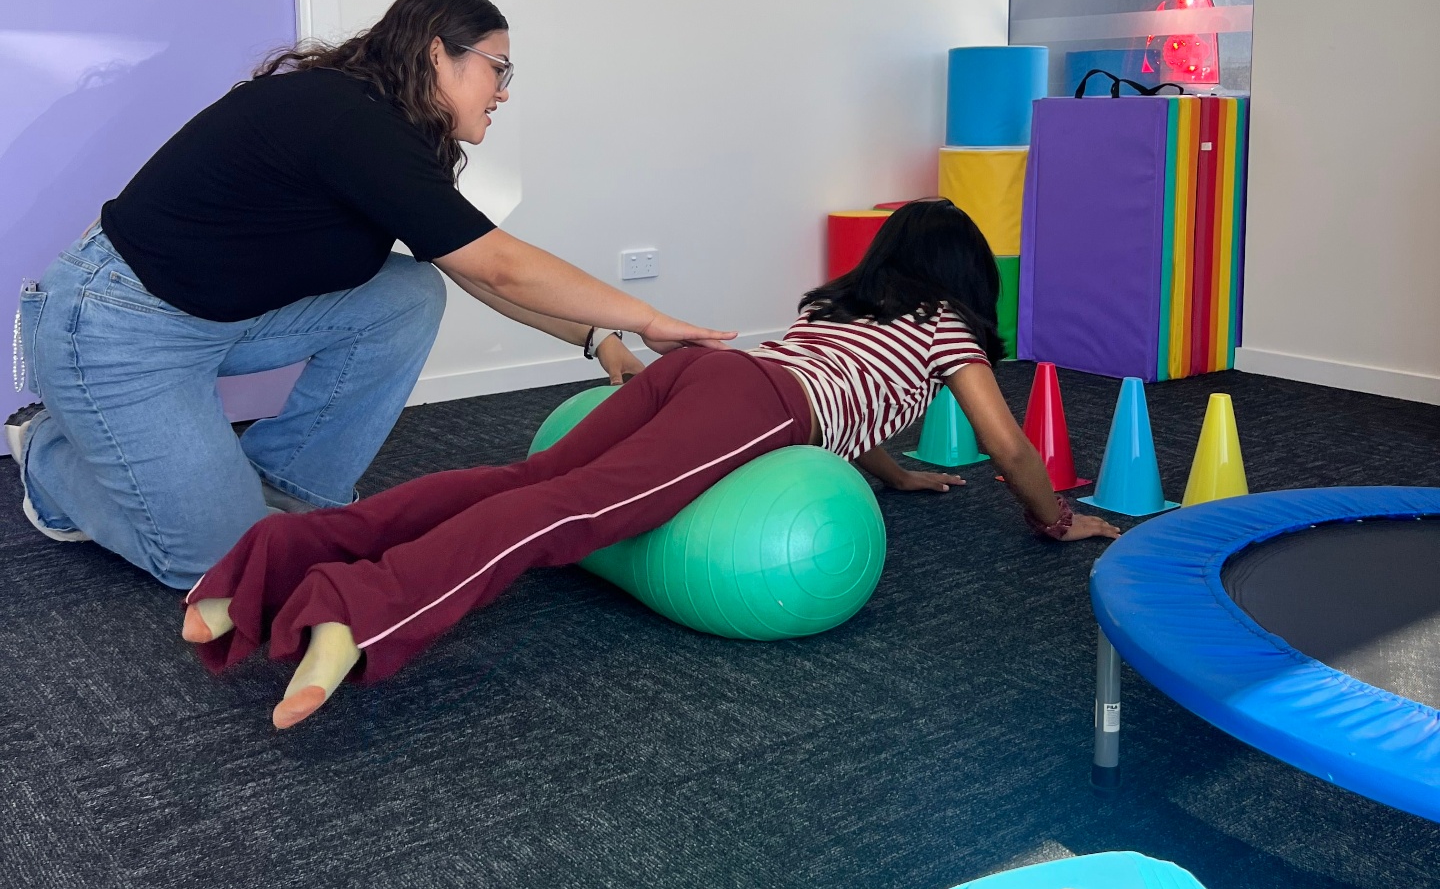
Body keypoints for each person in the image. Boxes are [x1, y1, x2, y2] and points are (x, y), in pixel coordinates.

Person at [183, 199, 1118, 728]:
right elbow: (1004, 442)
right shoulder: (946, 324)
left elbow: (852, 401)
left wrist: (898, 475)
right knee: (569, 513)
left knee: (523, 483)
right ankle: (361, 606)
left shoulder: (840, 309)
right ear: (966, 273)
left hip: (715, 377)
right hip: (757, 405)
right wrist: (1051, 517)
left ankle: (274, 560)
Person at [5, 0, 730, 591]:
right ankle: (47, 457)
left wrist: (597, 335)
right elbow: (501, 263)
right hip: (115, 324)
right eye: (497, 69)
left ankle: (286, 490)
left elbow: (464, 263)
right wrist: (647, 318)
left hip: (222, 321)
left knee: (406, 293)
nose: (505, 92)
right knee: (221, 568)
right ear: (435, 51)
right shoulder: (347, 120)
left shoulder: (392, 133)